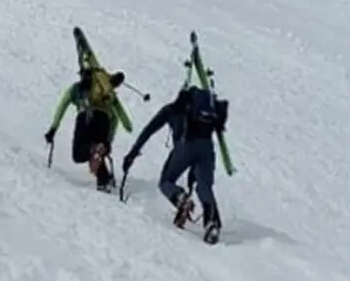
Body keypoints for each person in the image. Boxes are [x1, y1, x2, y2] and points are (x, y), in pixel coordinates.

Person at [122, 84, 228, 241]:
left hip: (184, 147)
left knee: (166, 181)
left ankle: (179, 197)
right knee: (204, 186)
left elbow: (149, 130)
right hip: (206, 146)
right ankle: (211, 223)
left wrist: (132, 153)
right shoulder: (205, 113)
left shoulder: (171, 110)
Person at [44, 67, 133, 191]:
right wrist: (109, 140)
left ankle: (94, 150)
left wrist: (53, 128)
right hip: (104, 120)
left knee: (79, 153)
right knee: (100, 151)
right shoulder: (106, 92)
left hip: (84, 117)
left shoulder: (76, 89)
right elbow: (120, 118)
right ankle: (104, 180)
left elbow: (62, 106)